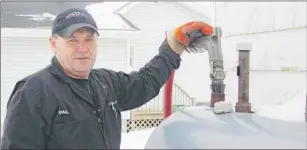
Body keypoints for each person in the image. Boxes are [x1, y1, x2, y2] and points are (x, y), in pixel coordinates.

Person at [1, 8, 213, 149]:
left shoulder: (105, 83)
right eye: (72, 40)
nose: (83, 48)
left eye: (89, 39)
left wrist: (172, 48)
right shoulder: (33, 93)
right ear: (54, 44)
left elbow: (145, 82)